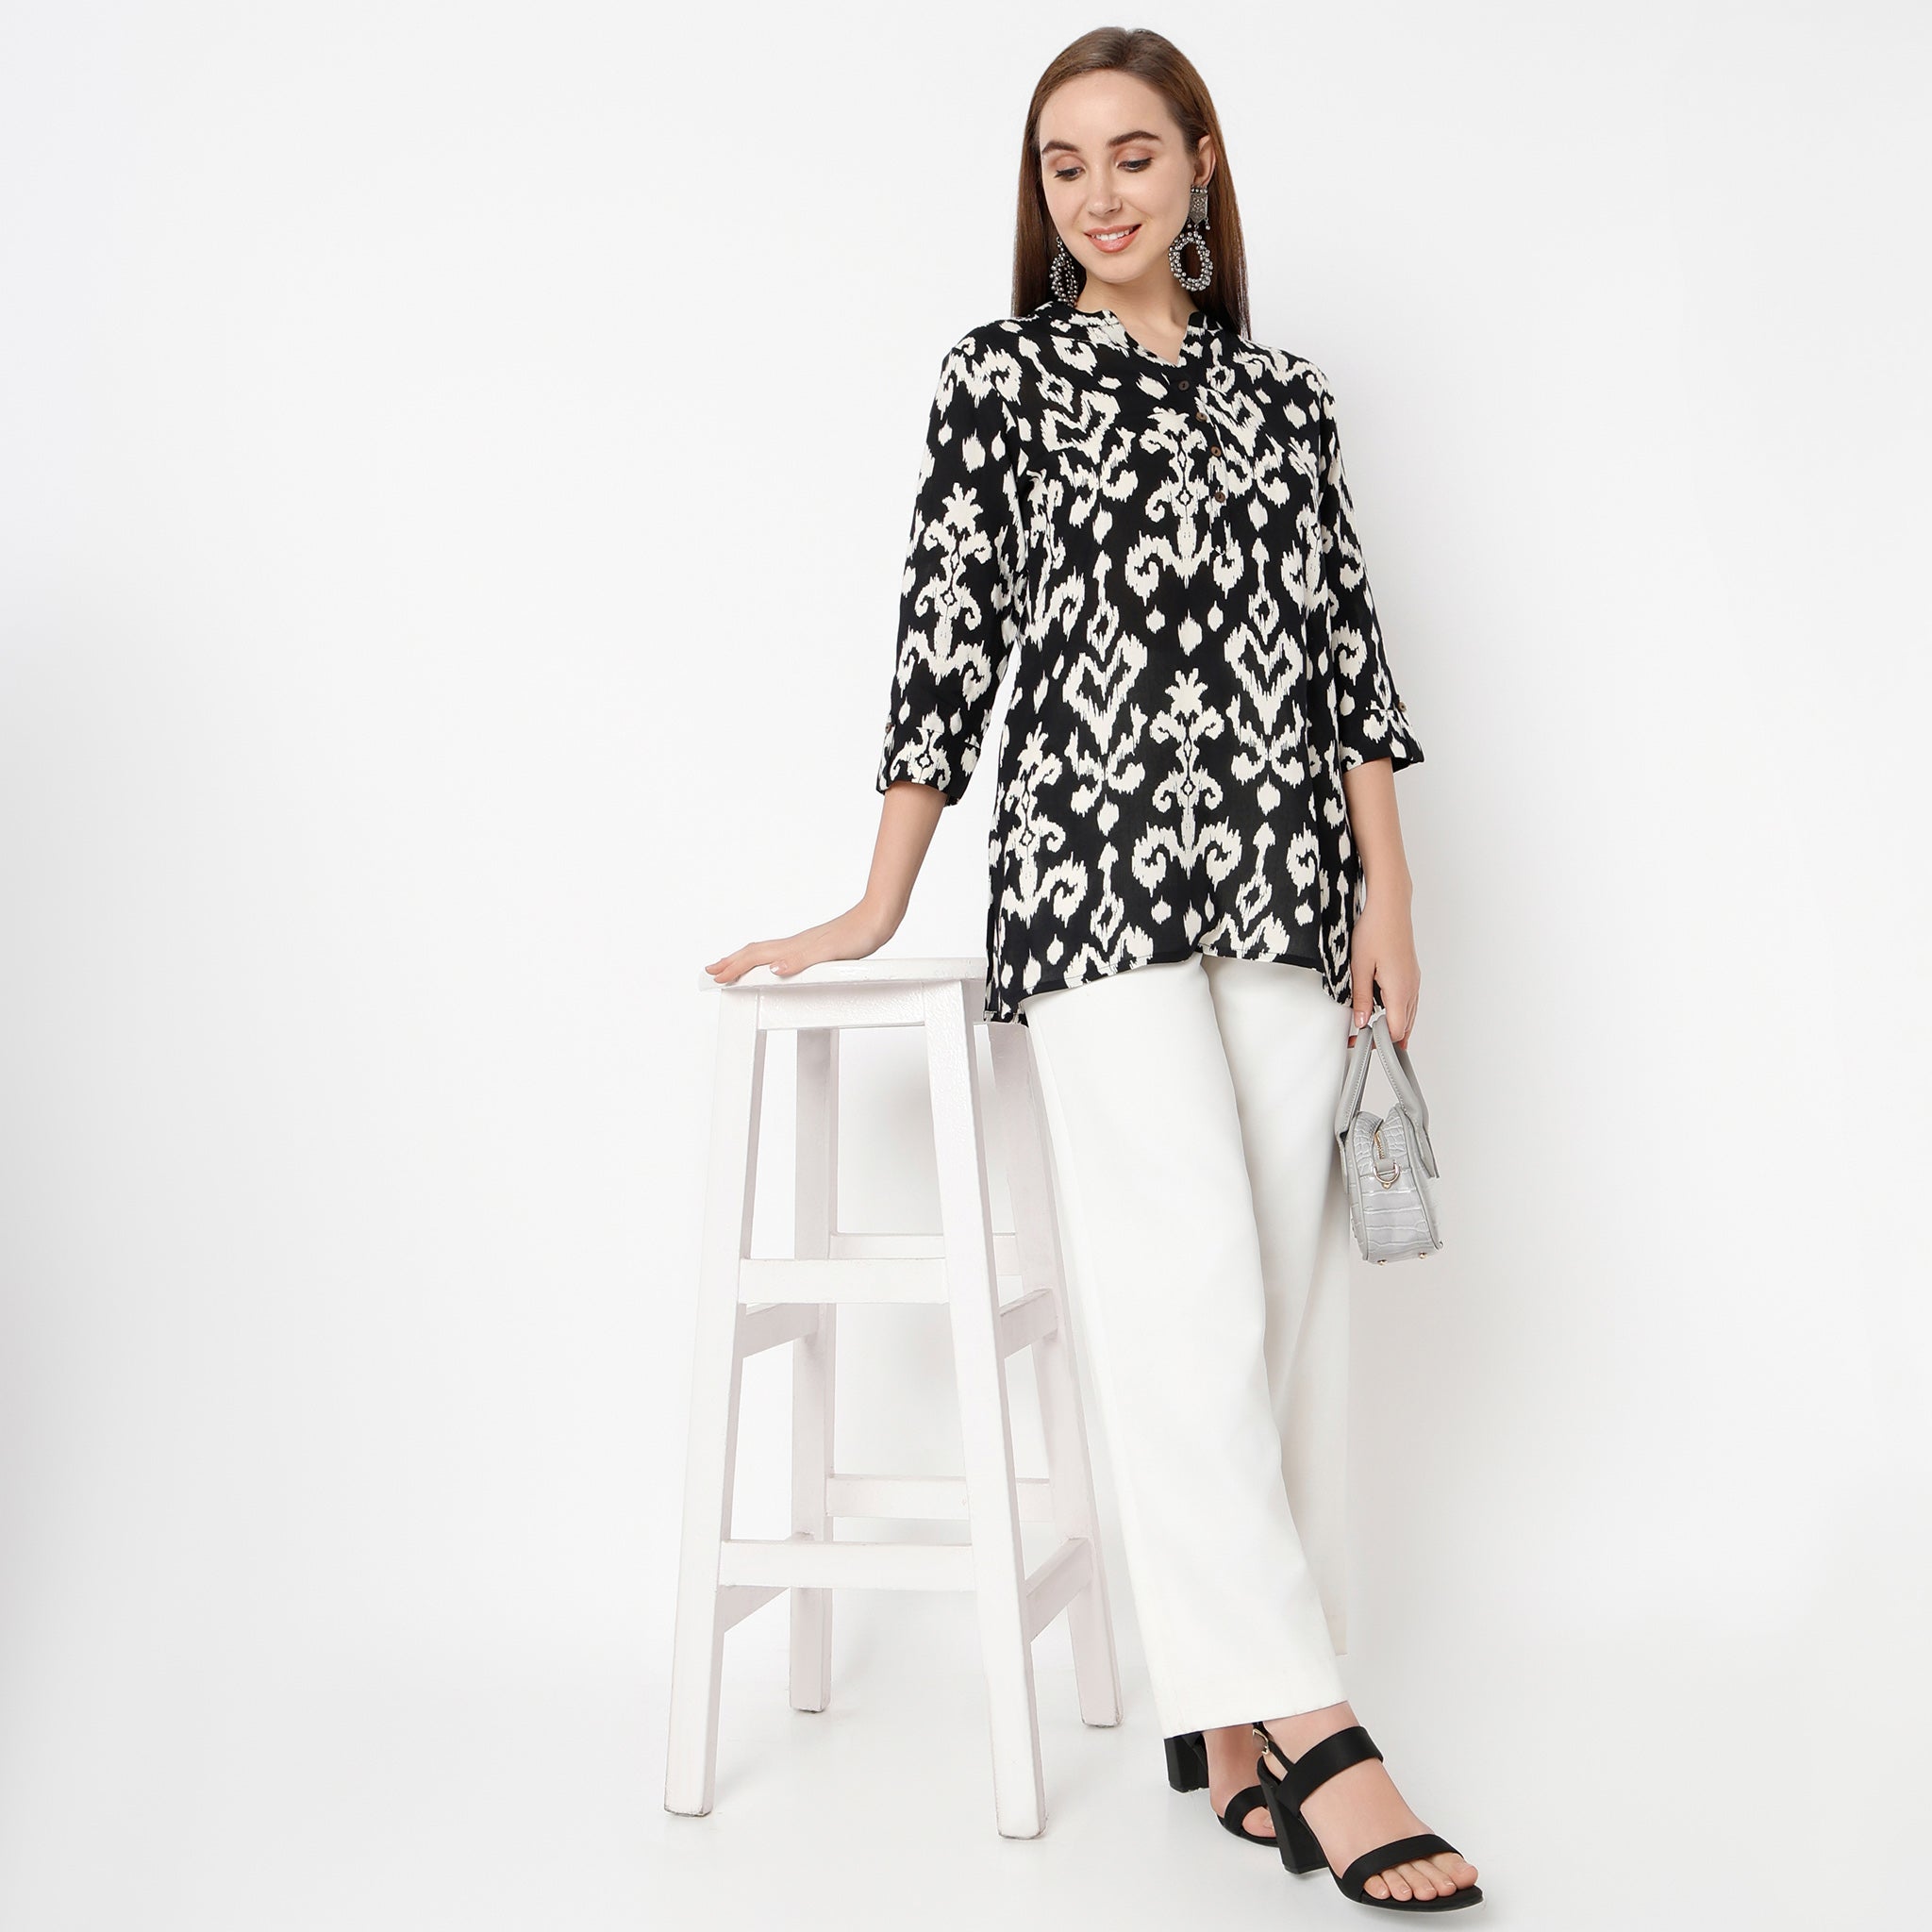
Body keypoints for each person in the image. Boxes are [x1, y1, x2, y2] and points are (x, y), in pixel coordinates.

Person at [705, 25, 1482, 1915]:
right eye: (1066, 166)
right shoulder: (1000, 379)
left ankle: (1230, 1721)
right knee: (1186, 1287)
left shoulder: (1285, 398)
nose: (1102, 194)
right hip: (1091, 883)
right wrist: (876, 900)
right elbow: (946, 637)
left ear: (1200, 164)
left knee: (1291, 1302)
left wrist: (1390, 896)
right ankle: (1321, 1727)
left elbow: (1348, 653)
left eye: (1135, 154)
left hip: (1289, 884)